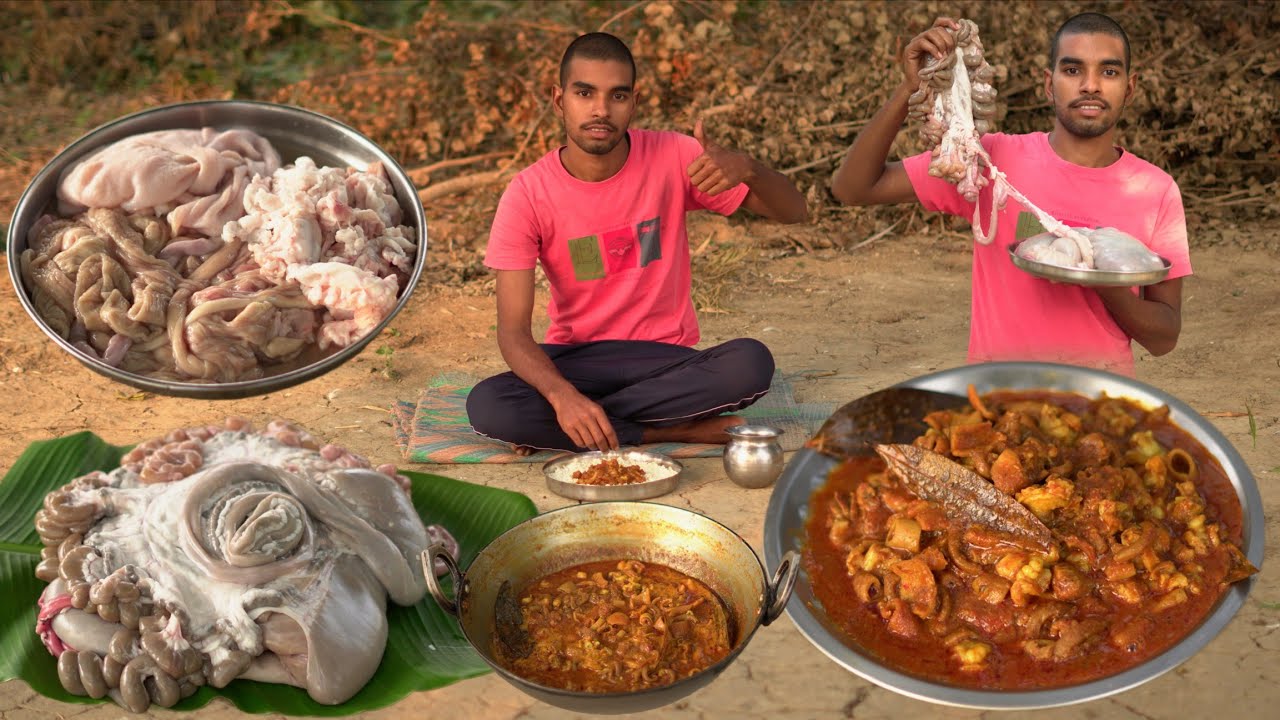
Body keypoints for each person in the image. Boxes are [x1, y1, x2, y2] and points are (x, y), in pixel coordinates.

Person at [467, 32, 808, 454]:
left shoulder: (675, 156)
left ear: (635, 101)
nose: (600, 110)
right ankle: (671, 430)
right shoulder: (527, 194)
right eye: (584, 92)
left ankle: (583, 427)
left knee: (751, 363)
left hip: (664, 358)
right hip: (578, 360)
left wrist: (749, 168)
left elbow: (795, 212)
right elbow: (513, 333)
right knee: (488, 406)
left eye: (618, 95)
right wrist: (562, 397)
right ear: (559, 101)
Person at [830, 12, 1190, 376]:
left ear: (1129, 88)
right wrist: (911, 88)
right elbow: (853, 188)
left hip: (1102, 406)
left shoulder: (1156, 191)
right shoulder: (989, 162)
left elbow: (1163, 339)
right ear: (1049, 84)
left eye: (1109, 72)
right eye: (1072, 70)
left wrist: (1100, 276)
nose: (1090, 86)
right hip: (997, 402)